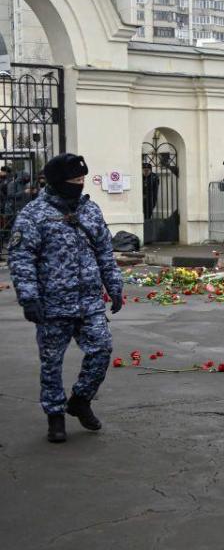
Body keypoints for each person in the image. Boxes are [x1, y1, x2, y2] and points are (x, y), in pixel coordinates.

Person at [8, 153, 123, 443]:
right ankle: (55, 416)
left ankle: (80, 399)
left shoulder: (91, 211)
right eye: (74, 180)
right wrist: (29, 297)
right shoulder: (33, 215)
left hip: (89, 302)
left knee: (102, 349)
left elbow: (105, 255)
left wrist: (115, 286)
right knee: (51, 364)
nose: (80, 185)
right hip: (52, 304)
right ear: (58, 182)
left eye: (83, 179)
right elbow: (22, 258)